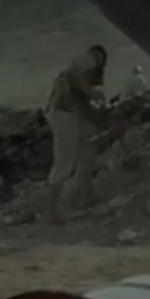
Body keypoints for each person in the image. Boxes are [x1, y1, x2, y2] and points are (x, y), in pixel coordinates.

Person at [44, 45, 108, 223]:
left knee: (86, 154)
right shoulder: (86, 62)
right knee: (64, 162)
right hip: (65, 115)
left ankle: (87, 195)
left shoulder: (87, 67)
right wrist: (94, 94)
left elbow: (83, 101)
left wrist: (96, 112)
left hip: (70, 115)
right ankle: (53, 212)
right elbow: (77, 82)